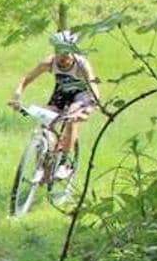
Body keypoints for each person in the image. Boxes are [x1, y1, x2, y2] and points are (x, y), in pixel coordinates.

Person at [7, 30, 101, 181]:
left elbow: (93, 84)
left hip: (80, 96)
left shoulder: (81, 63)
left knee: (71, 119)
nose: (62, 57)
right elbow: (26, 78)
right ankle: (43, 167)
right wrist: (17, 97)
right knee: (45, 122)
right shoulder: (49, 62)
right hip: (60, 95)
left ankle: (65, 163)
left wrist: (90, 106)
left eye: (66, 53)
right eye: (59, 52)